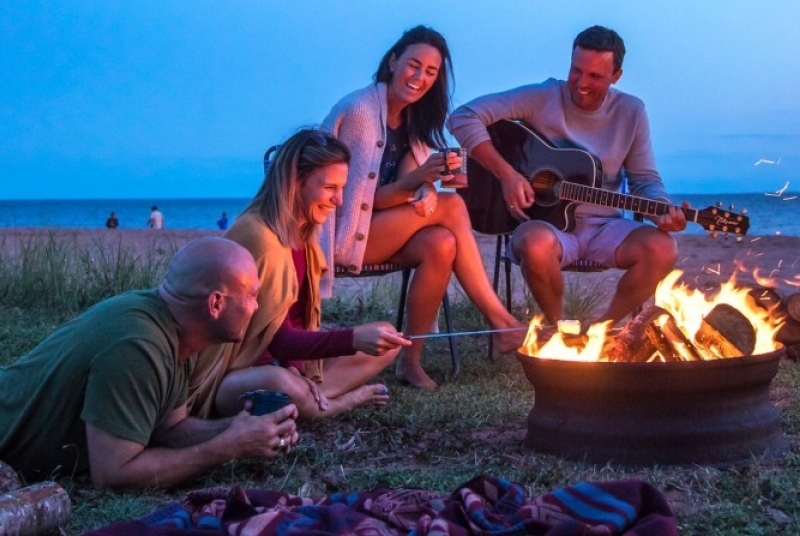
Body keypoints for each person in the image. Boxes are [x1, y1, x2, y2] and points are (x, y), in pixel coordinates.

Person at [0, 237, 299, 489]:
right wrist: (225, 448)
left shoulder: (176, 329)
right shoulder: (138, 347)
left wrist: (242, 428)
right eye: (251, 295)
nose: (257, 307)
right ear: (216, 304)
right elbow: (114, 473)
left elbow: (170, 428)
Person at [320, 25, 524, 390]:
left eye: (431, 72)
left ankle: (410, 362)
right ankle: (501, 322)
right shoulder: (360, 112)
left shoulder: (412, 122)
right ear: (393, 61)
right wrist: (423, 184)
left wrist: (425, 186)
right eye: (414, 65)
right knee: (452, 207)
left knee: (441, 244)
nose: (420, 78)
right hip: (341, 234)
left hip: (378, 231)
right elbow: (357, 203)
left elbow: (398, 192)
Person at [447, 25, 688, 326]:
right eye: (577, 71)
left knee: (664, 248)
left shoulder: (631, 111)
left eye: (595, 76)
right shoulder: (543, 96)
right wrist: (508, 175)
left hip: (606, 229)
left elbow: (645, 180)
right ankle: (563, 331)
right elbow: (463, 116)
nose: (581, 83)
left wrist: (661, 209)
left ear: (616, 76)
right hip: (547, 228)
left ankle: (603, 332)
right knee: (535, 245)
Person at [188, 129, 410, 420]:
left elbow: (291, 320)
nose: (339, 201)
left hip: (278, 365)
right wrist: (351, 339)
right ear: (295, 183)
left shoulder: (302, 237)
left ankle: (307, 396)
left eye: (341, 189)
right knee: (278, 383)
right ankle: (333, 404)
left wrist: (295, 367)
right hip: (230, 378)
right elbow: (270, 340)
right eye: (330, 188)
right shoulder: (260, 238)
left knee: (387, 339)